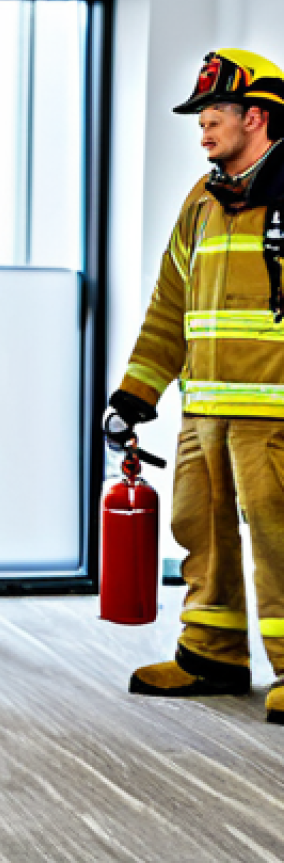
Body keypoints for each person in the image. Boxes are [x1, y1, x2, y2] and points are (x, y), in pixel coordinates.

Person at [106, 48, 284, 725]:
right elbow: (169, 308)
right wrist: (134, 395)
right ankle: (211, 654)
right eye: (200, 119)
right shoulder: (202, 201)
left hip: (275, 418)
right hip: (204, 412)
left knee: (280, 540)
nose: (203, 130)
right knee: (198, 533)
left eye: (214, 117)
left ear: (257, 117)